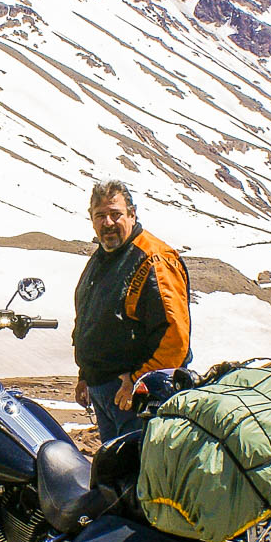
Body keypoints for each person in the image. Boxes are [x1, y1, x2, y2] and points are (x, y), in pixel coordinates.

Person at [71, 179, 190, 444]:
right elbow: (89, 319)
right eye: (100, 216)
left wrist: (136, 380)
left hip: (139, 397)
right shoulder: (104, 256)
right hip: (106, 392)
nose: (108, 223)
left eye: (116, 214)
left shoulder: (154, 259)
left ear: (132, 214)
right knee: (114, 474)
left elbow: (175, 338)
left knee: (137, 477)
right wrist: (85, 376)